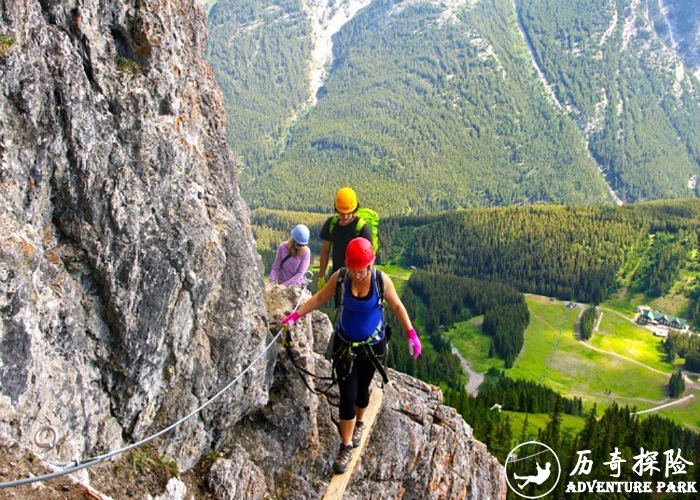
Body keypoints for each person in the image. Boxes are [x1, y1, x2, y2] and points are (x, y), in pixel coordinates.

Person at [282, 237, 422, 474]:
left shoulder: (380, 281)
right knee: (347, 396)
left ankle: (360, 421)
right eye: (354, 270)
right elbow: (318, 299)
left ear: (371, 264)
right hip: (345, 347)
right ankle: (345, 445)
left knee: (361, 394)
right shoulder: (341, 278)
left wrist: (411, 333)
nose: (357, 275)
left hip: (372, 348)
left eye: (361, 270)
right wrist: (297, 316)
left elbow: (397, 306)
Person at [317, 187, 372, 290]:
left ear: (354, 209)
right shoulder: (331, 224)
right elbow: (325, 251)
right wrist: (321, 276)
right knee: (340, 305)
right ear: (336, 209)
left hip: (356, 279)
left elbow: (369, 259)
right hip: (338, 276)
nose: (345, 216)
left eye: (349, 212)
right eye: (342, 212)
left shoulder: (361, 228)